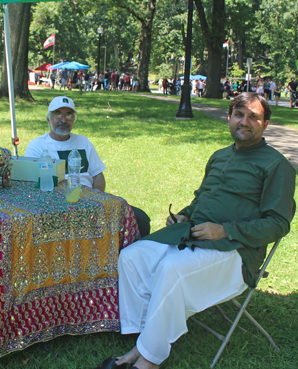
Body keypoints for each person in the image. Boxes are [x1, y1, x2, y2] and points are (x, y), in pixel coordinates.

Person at [96, 93, 295, 369]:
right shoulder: (220, 156)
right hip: (192, 234)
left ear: (266, 124)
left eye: (254, 117)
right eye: (239, 114)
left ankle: (147, 361)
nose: (245, 121)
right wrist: (185, 214)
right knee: (132, 256)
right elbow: (203, 197)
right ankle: (144, 337)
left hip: (236, 251)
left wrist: (224, 231)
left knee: (170, 269)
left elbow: (278, 223)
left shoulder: (277, 166)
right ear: (229, 117)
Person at [24, 96, 151, 236]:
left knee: (141, 219)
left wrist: (98, 201)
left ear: (74, 120)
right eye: (57, 114)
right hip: (57, 206)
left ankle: (130, 256)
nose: (63, 120)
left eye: (68, 114)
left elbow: (98, 175)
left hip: (90, 202)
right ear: (48, 119)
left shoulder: (83, 141)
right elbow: (32, 186)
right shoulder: (37, 146)